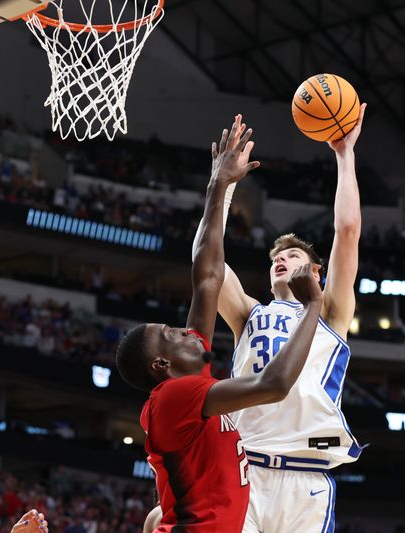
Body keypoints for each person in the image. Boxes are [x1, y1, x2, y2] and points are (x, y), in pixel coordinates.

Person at [117, 116, 325, 532]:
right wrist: (314, 306)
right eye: (171, 334)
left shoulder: (190, 383)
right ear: (161, 365)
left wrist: (219, 188)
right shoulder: (175, 397)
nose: (184, 330)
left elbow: (207, 275)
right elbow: (274, 384)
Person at [193, 105, 367, 532]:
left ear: (316, 274)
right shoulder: (250, 313)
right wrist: (224, 188)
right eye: (277, 258)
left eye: (293, 256)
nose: (282, 260)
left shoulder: (330, 312)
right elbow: (205, 264)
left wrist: (345, 155)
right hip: (244, 470)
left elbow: (347, 231)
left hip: (307, 478)